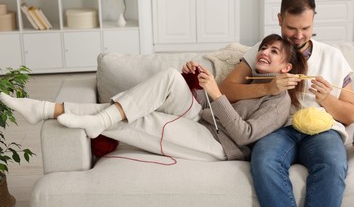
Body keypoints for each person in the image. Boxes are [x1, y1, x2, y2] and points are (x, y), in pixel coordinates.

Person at [0, 34, 306, 162]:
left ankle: (43, 109)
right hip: (202, 118)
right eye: (264, 48)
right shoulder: (250, 75)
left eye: (273, 51)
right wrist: (197, 84)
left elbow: (243, 135)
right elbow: (214, 104)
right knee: (172, 77)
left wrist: (215, 94)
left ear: (287, 67)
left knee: (143, 118)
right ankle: (95, 120)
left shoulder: (280, 102)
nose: (264, 52)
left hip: (219, 144)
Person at [219, 0, 354, 206]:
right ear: (280, 19)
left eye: (306, 28)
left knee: (332, 163)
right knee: (264, 160)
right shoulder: (264, 51)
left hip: (322, 130)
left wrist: (327, 99)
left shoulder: (333, 56)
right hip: (276, 129)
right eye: (291, 28)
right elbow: (224, 90)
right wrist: (267, 88)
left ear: (313, 20)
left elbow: (350, 115)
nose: (298, 35)